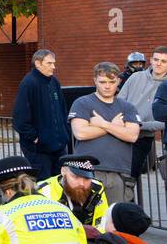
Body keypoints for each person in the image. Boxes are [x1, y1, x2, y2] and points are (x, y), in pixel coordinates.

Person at [68, 62, 141, 205]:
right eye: (103, 82)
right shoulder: (82, 103)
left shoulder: (127, 107)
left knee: (115, 219)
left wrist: (103, 123)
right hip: (87, 171)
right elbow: (81, 133)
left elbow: (132, 135)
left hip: (119, 173)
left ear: (119, 81)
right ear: (95, 80)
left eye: (112, 82)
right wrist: (115, 126)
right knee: (88, 218)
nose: (107, 86)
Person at [11, 49, 68, 182]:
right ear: (38, 63)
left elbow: (62, 110)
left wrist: (65, 131)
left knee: (60, 183)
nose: (53, 67)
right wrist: (35, 138)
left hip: (58, 147)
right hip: (39, 150)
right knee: (44, 185)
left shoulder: (54, 82)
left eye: (53, 63)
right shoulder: (28, 83)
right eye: (49, 63)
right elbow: (20, 117)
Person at [118, 46, 167, 177]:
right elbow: (119, 102)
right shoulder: (135, 77)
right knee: (115, 175)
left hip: (143, 138)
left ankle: (127, 198)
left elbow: (164, 121)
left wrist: (139, 125)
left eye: (163, 61)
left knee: (129, 178)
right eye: (156, 59)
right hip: (120, 132)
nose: (158, 63)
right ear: (151, 60)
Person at [36, 155, 109, 228]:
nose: (82, 183)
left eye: (87, 178)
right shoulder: (43, 191)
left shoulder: (97, 188)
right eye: (76, 177)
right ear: (63, 171)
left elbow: (102, 222)